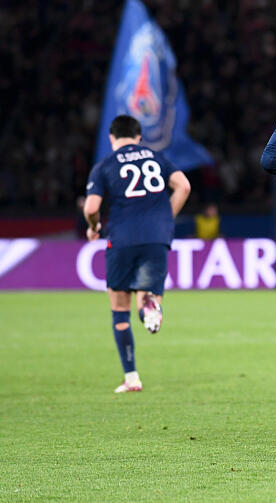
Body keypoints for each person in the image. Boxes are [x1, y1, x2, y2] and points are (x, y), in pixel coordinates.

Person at [83, 115, 191, 393]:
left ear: (111, 137)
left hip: (122, 238)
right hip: (157, 237)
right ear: (139, 136)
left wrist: (94, 228)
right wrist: (167, 218)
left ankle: (132, 377)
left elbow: (91, 207)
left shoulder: (105, 165)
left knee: (120, 310)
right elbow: (184, 186)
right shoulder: (157, 157)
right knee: (146, 294)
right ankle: (149, 306)